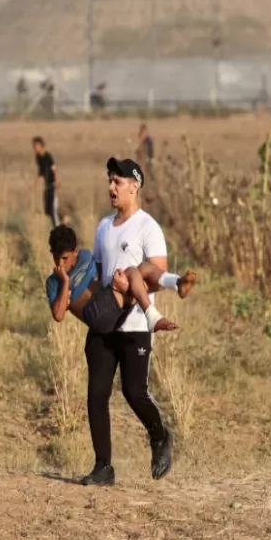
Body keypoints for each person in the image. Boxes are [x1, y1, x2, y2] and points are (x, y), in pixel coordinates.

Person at [80, 157, 177, 487]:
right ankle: (103, 467)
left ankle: (160, 436)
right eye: (109, 180)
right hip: (105, 324)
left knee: (134, 392)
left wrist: (128, 288)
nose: (111, 187)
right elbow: (95, 271)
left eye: (117, 181)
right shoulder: (103, 226)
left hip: (136, 325)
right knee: (96, 394)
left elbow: (159, 276)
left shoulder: (148, 228)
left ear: (134, 186)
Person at [45, 223, 197, 333]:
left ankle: (176, 283)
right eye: (56, 258)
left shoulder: (85, 256)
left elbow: (103, 270)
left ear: (76, 251)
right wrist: (65, 282)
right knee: (132, 273)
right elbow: (58, 316)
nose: (60, 264)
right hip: (96, 315)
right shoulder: (53, 282)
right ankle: (153, 316)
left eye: (65, 258)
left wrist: (118, 281)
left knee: (142, 269)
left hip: (115, 308)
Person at [33, 136, 61, 228]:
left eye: (36, 146)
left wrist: (57, 185)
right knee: (47, 210)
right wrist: (35, 183)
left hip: (53, 185)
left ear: (41, 146)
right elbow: (41, 172)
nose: (35, 149)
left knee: (53, 209)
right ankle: (59, 223)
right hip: (47, 186)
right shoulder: (38, 158)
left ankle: (58, 228)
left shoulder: (48, 157)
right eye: (34, 147)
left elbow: (55, 171)